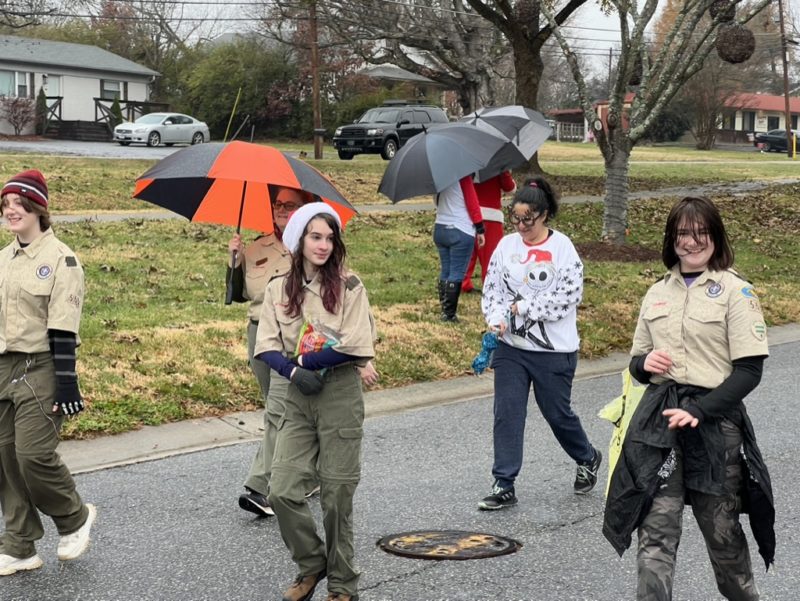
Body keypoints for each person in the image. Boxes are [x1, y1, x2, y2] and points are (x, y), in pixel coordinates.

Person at [604, 196, 774, 601]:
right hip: (660, 428)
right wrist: (646, 363)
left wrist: (699, 410)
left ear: (715, 236)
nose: (691, 242)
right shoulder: (656, 293)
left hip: (715, 427)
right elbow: (634, 364)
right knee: (655, 534)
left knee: (723, 537)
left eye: (700, 233)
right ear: (671, 239)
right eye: (682, 234)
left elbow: (750, 371)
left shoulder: (737, 292)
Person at [254, 203, 378, 601]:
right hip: (296, 395)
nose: (324, 245)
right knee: (282, 490)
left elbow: (356, 343)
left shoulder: (350, 285)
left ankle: (342, 584)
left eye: (329, 238)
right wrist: (293, 373)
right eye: (315, 237)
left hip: (339, 391)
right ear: (299, 241)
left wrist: (308, 360)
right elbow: (266, 347)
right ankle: (312, 563)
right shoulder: (278, 288)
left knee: (336, 496)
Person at [478, 176, 602, 510]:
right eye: (515, 218)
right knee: (507, 412)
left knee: (557, 414)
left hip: (554, 351)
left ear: (544, 215)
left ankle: (587, 456)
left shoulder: (563, 248)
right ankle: (504, 482)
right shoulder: (506, 247)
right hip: (512, 348)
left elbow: (569, 296)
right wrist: (495, 317)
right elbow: (492, 289)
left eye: (527, 220)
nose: (520, 226)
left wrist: (524, 308)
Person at [0, 170, 96, 576]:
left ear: (38, 208)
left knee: (33, 455)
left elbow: (62, 328)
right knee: (5, 457)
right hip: (3, 366)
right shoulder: (3, 258)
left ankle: (74, 517)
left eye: (19, 204)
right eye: (5, 205)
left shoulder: (61, 259)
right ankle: (20, 545)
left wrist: (66, 381)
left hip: (39, 366)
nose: (11, 211)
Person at [226, 186, 315, 517]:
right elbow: (237, 295)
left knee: (279, 412)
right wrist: (234, 261)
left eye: (290, 205)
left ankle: (260, 488)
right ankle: (309, 473)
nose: (281, 209)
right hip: (258, 335)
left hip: (291, 338)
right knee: (284, 411)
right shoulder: (257, 246)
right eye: (277, 204)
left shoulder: (312, 245)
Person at [433, 175, 485, 322]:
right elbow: (472, 202)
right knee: (456, 272)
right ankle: (449, 314)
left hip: (440, 227)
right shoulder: (463, 177)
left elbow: (436, 201)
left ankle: (444, 309)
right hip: (460, 229)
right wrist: (480, 228)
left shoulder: (440, 178)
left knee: (446, 270)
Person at [461, 170, 516, 293]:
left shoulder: (464, 159)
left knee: (467, 253)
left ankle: (461, 282)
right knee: (491, 256)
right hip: (491, 215)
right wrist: (505, 171)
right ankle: (490, 283)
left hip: (467, 213)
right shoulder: (497, 162)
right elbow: (510, 189)